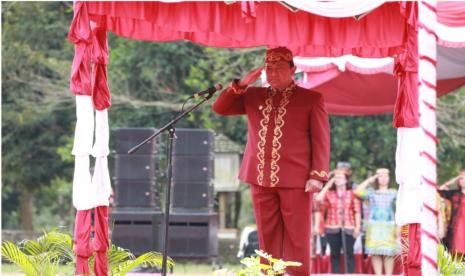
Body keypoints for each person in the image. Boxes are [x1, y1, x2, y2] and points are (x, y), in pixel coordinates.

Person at [212, 46, 330, 275]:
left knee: (297, 238)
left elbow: (321, 141)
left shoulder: (311, 99)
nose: (272, 74)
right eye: (268, 69)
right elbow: (220, 108)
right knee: (267, 238)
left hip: (296, 180)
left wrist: (317, 175)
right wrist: (241, 84)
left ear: (293, 69)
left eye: (278, 69)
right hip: (258, 177)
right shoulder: (253, 95)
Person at [315, 169, 361, 274]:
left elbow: (357, 211)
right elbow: (318, 199)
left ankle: (350, 274)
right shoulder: (329, 193)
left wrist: (357, 227)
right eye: (336, 178)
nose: (338, 179)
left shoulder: (352, 193)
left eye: (341, 177)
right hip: (332, 228)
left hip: (349, 227)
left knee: (349, 253)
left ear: (345, 180)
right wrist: (328, 184)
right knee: (334, 254)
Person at [355, 168, 399, 275]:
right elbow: (357, 191)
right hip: (374, 226)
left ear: (389, 178)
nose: (383, 179)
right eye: (380, 176)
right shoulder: (372, 193)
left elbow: (400, 210)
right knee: (375, 252)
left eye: (385, 176)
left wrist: (398, 226)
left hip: (389, 226)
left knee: (388, 252)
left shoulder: (394, 193)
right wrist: (369, 180)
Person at [438, 170, 465, 257]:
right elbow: (438, 191)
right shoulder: (454, 194)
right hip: (455, 232)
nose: (462, 180)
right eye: (461, 179)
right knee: (455, 257)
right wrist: (452, 180)